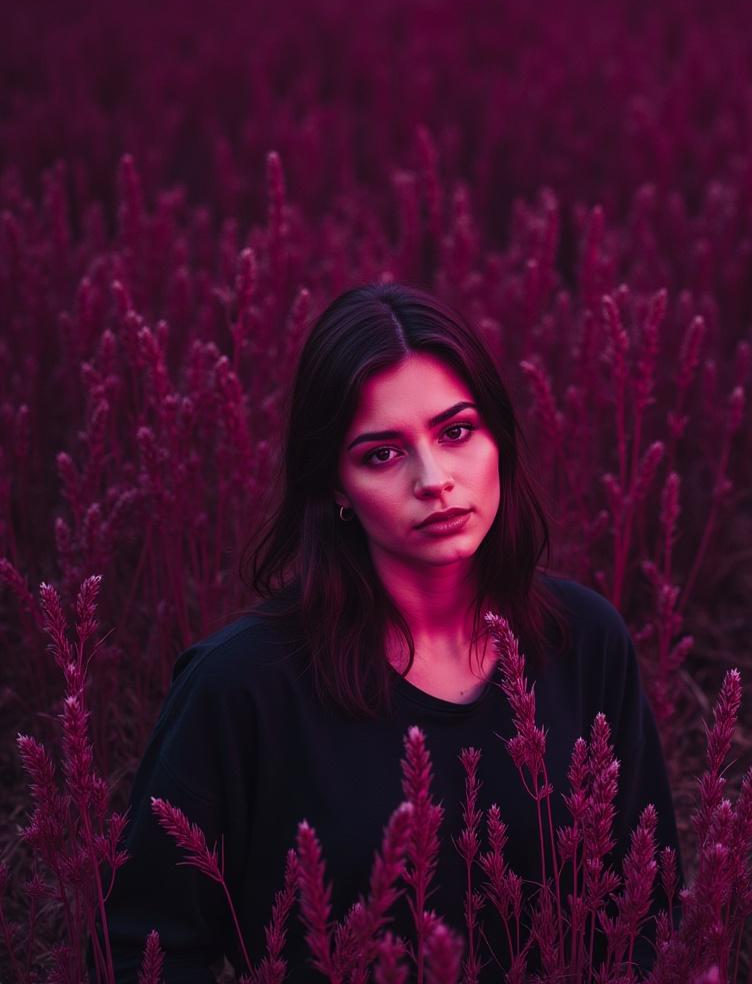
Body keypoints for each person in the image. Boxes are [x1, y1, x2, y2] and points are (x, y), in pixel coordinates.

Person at [90, 283, 682, 983]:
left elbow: (649, 918)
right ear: (336, 487)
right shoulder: (239, 688)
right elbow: (143, 954)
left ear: (498, 438)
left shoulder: (583, 640)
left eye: (456, 432)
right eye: (382, 454)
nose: (434, 480)